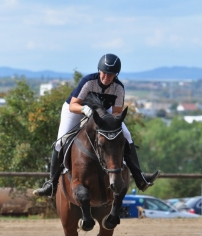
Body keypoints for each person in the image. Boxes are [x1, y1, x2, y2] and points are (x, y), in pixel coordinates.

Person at [33, 53, 160, 197]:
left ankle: (139, 177)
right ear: (99, 70)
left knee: (127, 135)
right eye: (104, 73)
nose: (106, 77)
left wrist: (108, 120)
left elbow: (117, 111)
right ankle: (51, 183)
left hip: (104, 113)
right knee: (60, 141)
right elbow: (73, 105)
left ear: (116, 75)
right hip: (76, 110)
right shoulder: (89, 81)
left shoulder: (118, 87)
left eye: (111, 75)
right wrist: (84, 109)